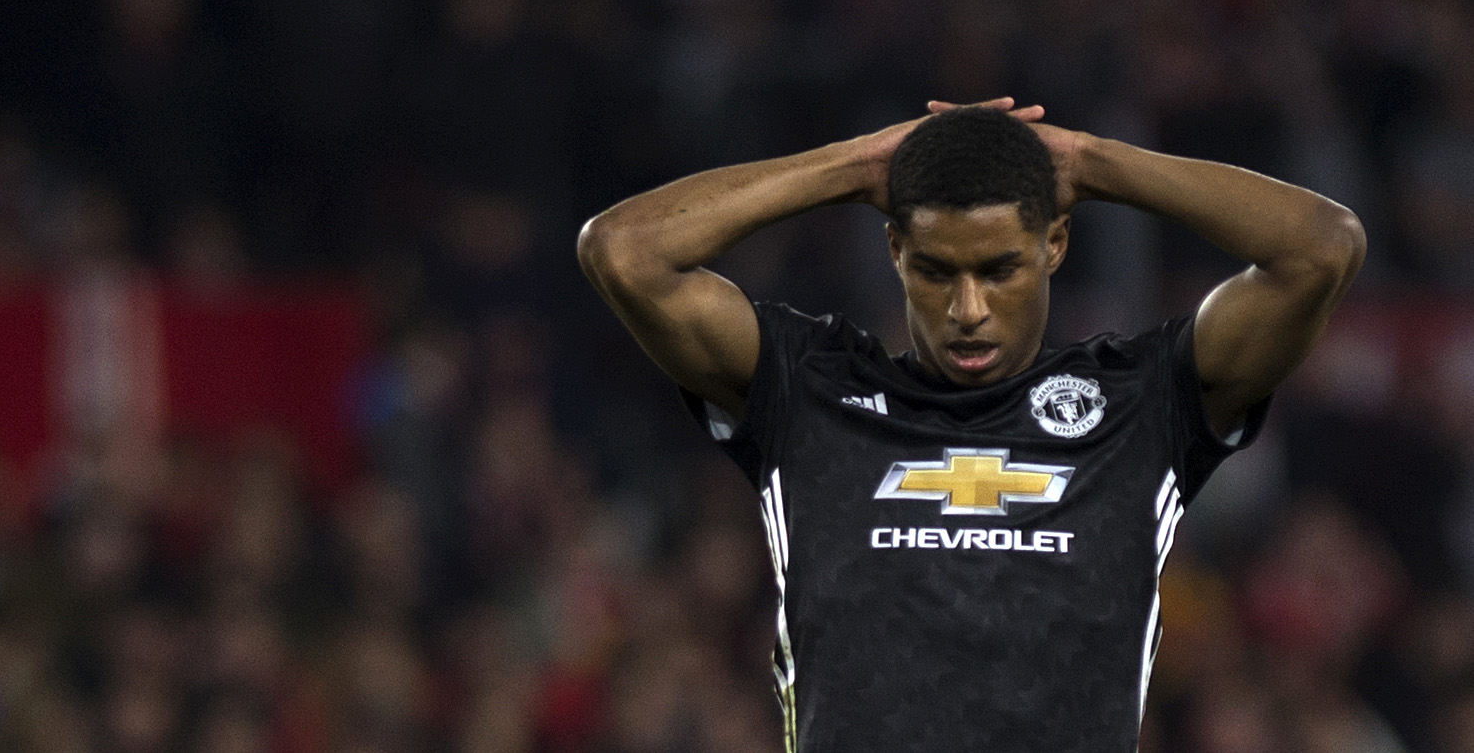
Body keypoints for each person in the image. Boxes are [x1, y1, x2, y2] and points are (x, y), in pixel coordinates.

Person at [577, 99, 1364, 753]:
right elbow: (625, 251)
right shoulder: (807, 388)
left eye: (998, 269)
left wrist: (1090, 162)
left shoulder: (1139, 401)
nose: (968, 310)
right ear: (894, 249)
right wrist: (854, 165)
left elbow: (1320, 248)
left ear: (1054, 243)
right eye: (935, 270)